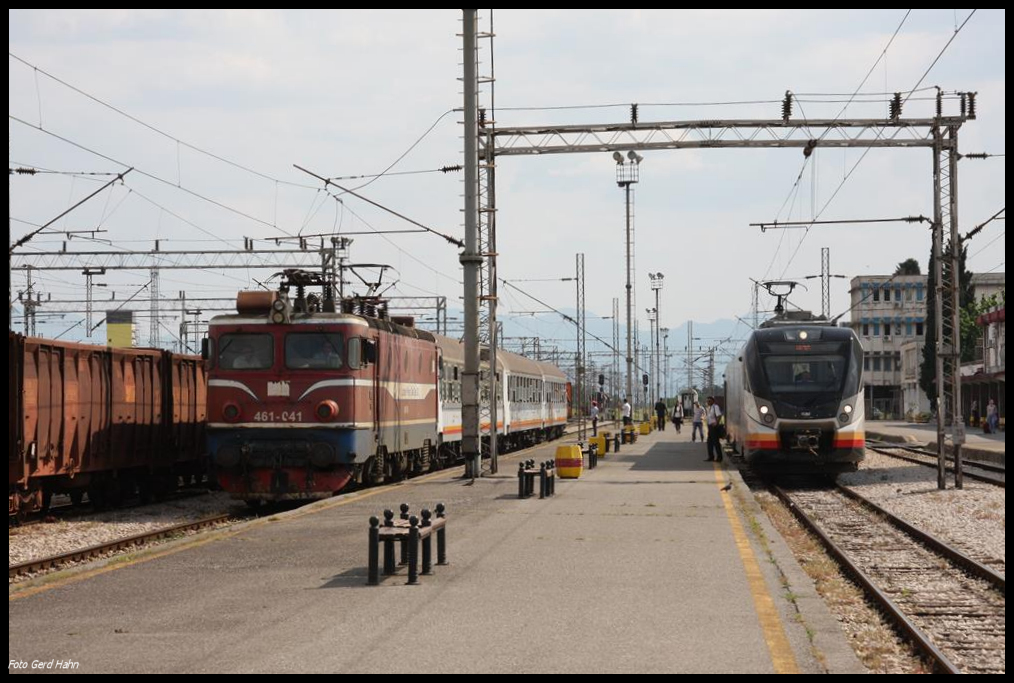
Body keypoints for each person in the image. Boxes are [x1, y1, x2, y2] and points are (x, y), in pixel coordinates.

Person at [705, 396, 724, 463]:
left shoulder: (715, 407)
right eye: (707, 401)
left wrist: (716, 423)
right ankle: (711, 457)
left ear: (713, 401)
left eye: (709, 401)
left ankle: (719, 457)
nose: (708, 402)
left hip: (714, 427)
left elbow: (719, 415)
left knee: (716, 442)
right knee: (709, 442)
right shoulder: (709, 408)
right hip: (710, 427)